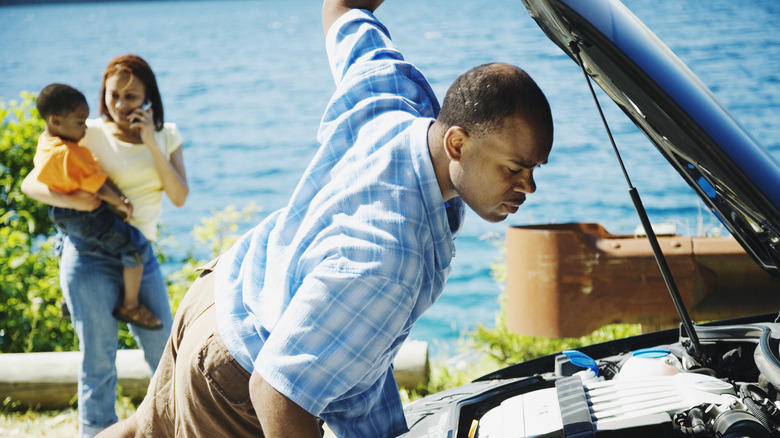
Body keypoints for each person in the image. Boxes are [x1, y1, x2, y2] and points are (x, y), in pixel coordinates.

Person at [100, 1, 553, 437]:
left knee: (141, 432)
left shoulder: (392, 93)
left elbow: (342, 9)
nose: (527, 186)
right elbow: (277, 392)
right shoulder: (392, 258)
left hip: (223, 289)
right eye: (514, 168)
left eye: (535, 169)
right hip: (236, 375)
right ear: (457, 143)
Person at [21, 54, 189, 438]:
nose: (120, 104)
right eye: (114, 95)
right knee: (98, 361)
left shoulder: (167, 135)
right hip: (88, 256)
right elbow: (31, 183)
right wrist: (77, 201)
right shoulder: (87, 130)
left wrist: (149, 141)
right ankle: (96, 433)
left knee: (165, 351)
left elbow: (179, 196)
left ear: (149, 96)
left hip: (139, 254)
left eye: (131, 96)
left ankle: (175, 426)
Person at [33, 83, 162, 330]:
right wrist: (120, 202)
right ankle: (131, 306)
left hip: (61, 215)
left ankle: (67, 297)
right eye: (81, 123)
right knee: (134, 247)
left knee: (62, 241)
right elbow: (98, 186)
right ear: (56, 121)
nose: (85, 128)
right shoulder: (69, 153)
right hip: (85, 215)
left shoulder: (46, 143)